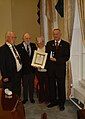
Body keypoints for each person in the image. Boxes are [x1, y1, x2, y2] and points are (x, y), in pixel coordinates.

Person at [46, 28, 70, 111]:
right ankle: (53, 101)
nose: (55, 36)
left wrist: (57, 60)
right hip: (51, 70)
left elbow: (67, 57)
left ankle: (61, 103)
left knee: (61, 87)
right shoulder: (49, 44)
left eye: (57, 34)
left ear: (60, 34)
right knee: (51, 86)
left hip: (60, 70)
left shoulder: (66, 44)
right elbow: (46, 56)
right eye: (54, 34)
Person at [0, 31, 22, 97]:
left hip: (18, 73)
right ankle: (12, 106)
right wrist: (4, 76)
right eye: (13, 37)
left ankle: (18, 105)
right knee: (11, 92)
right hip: (9, 76)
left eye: (15, 37)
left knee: (17, 90)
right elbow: (2, 64)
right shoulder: (2, 49)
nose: (14, 39)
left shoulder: (15, 47)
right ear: (7, 38)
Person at [17, 33, 37, 104]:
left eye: (29, 38)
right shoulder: (19, 47)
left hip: (32, 70)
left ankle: (31, 98)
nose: (28, 40)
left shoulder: (33, 45)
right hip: (24, 70)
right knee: (25, 85)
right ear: (23, 38)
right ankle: (25, 98)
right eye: (26, 38)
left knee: (31, 84)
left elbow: (36, 56)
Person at [36, 36, 49, 103]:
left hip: (46, 71)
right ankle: (41, 99)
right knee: (41, 85)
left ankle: (47, 99)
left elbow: (49, 61)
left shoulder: (47, 48)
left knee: (47, 85)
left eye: (40, 42)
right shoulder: (36, 49)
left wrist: (43, 66)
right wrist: (36, 65)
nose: (39, 43)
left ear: (43, 42)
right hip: (39, 71)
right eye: (38, 42)